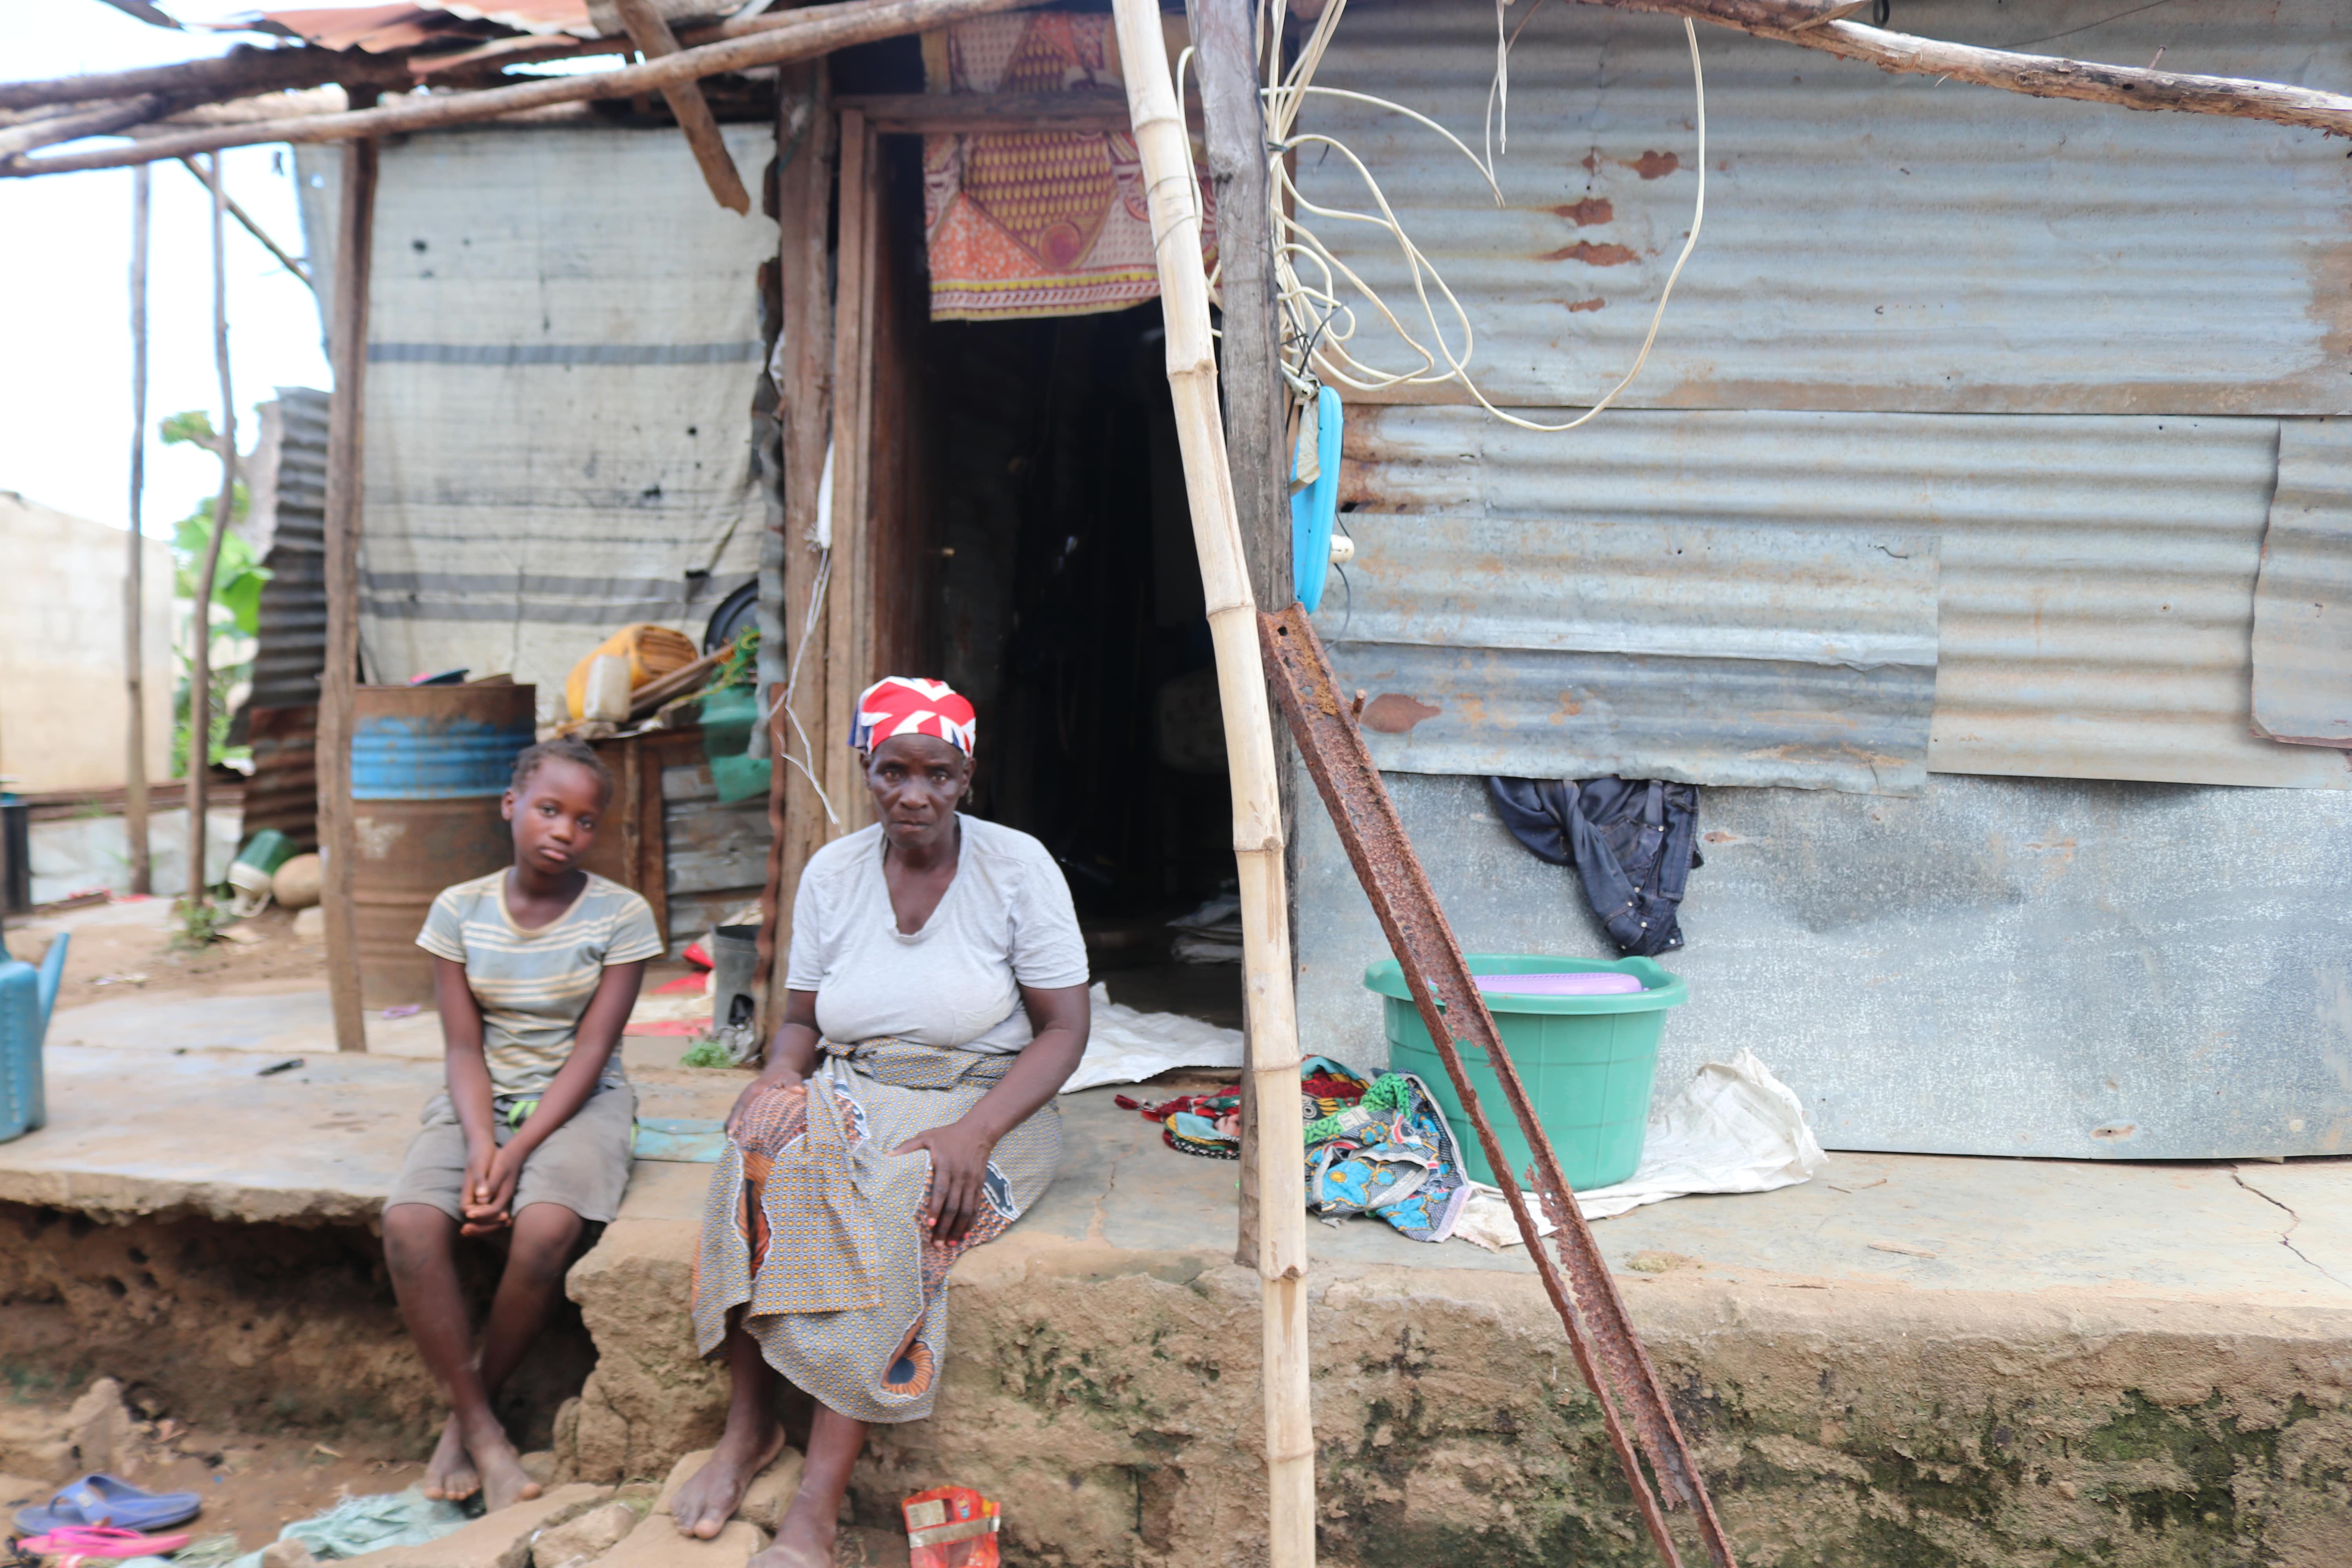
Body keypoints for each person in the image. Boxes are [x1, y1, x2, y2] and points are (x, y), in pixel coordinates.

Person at [671, 677, 1091, 1568]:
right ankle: (747, 1428)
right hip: (857, 1079)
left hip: (990, 1097)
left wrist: (976, 1131)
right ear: (867, 767)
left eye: (936, 773)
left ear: (965, 774)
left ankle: (818, 1504)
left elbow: (1064, 1030)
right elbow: (798, 1025)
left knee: (906, 1197)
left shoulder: (1019, 867)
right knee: (752, 1153)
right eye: (892, 770)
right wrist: (782, 1078)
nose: (914, 794)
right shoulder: (834, 871)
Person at [382, 737, 662, 1511]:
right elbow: (463, 1044)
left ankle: (470, 1416)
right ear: (511, 805)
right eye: (548, 809)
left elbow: (593, 1049)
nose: (564, 830)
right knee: (409, 1223)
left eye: (584, 819)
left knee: (542, 1229)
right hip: (480, 1097)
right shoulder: (459, 910)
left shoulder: (621, 915)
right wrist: (481, 1144)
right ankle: (478, 1425)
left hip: (581, 1101)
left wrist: (520, 1150)